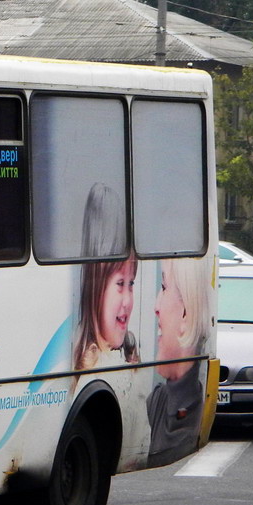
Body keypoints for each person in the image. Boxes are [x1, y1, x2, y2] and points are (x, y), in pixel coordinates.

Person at [147, 258, 211, 465]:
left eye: (164, 287)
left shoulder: (186, 413)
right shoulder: (157, 399)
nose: (156, 307)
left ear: (186, 314)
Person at [73, 183, 140, 371]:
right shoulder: (85, 364)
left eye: (131, 283)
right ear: (96, 287)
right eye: (120, 284)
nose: (128, 301)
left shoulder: (130, 354)